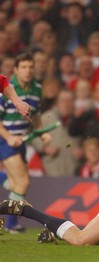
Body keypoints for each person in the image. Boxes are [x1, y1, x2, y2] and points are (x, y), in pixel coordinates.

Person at [0, 53, 51, 233]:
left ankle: (1, 178)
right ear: (16, 69)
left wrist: (41, 133)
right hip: (5, 139)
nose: (28, 71)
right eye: (24, 67)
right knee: (22, 182)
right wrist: (8, 138)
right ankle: (12, 225)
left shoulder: (37, 88)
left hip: (22, 140)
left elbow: (35, 116)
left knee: (16, 185)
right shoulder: (8, 88)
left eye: (31, 67)